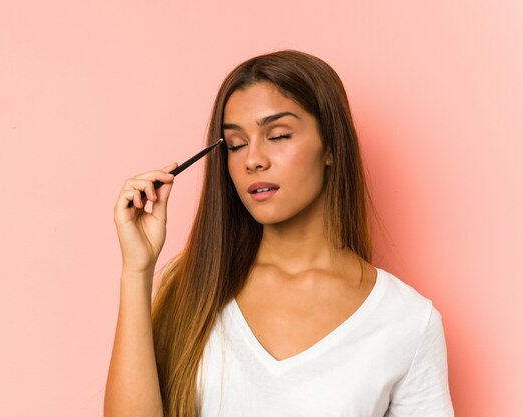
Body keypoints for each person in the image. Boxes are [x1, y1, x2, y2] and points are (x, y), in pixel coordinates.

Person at [105, 49, 454, 417]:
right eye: (237, 144)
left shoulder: (407, 320)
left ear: (331, 147)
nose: (253, 159)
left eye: (279, 135)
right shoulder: (195, 285)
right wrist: (137, 271)